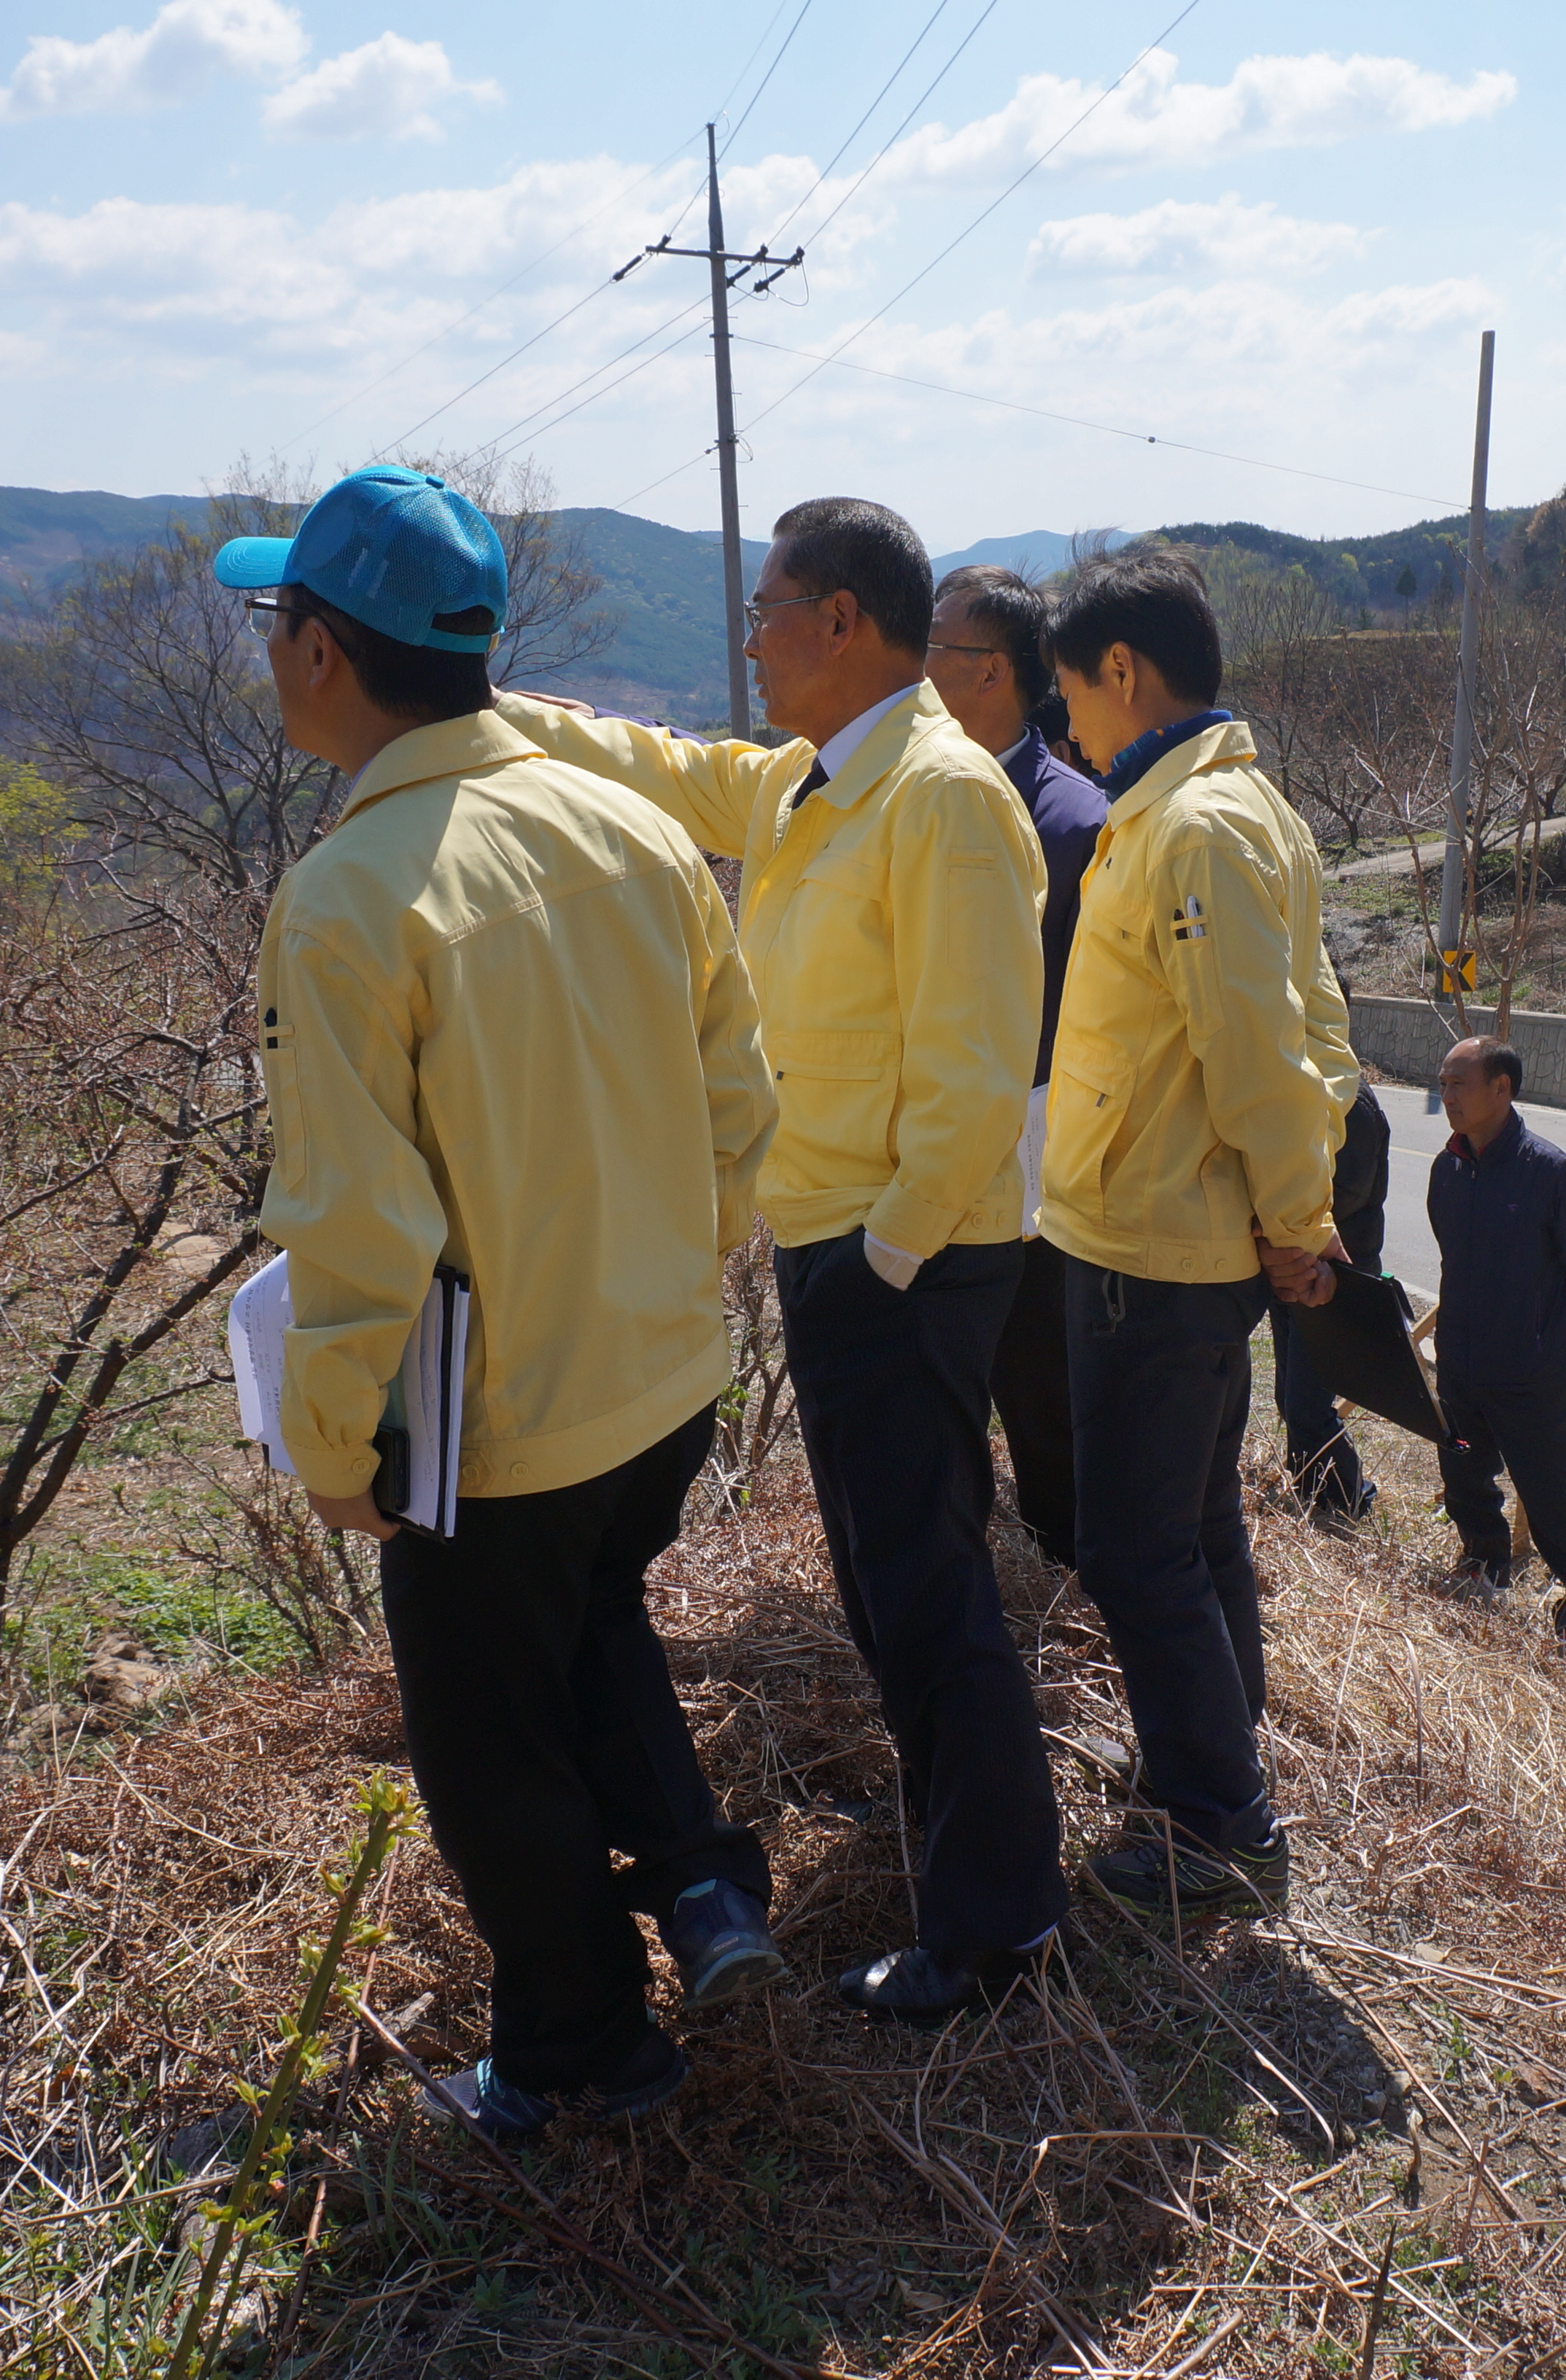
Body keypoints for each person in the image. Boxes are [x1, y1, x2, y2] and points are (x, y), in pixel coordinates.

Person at [228, 467, 781, 2142]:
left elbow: (358, 1222)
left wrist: (335, 1448)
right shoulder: (627, 828)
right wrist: (681, 1279)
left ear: (322, 651)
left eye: (277, 625)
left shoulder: (350, 898)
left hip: (499, 1427)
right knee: (595, 1618)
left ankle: (579, 2048)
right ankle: (699, 1889)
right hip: (662, 1375)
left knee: (486, 1748)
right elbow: (738, 1104)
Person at [496, 501, 1065, 2021]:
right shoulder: (824, 783)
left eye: (767, 609)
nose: (747, 637)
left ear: (841, 623)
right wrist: (499, 715)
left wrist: (880, 1257)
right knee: (894, 1591)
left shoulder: (937, 799)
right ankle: (973, 1881)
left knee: (926, 1594)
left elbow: (971, 1073)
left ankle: (993, 1931)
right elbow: (683, 776)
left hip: (902, 1262)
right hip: (839, 1247)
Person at [1035, 545, 1356, 1921]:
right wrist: (1290, 1211)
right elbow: (1320, 1033)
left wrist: (1299, 1223)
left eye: (1071, 698)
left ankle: (1212, 1817)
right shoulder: (1216, 808)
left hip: (1153, 1246)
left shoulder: (1194, 828)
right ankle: (1219, 1752)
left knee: (1131, 1544)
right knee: (1194, 1518)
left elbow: (1264, 1058)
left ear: (1123, 670)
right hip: (1163, 1230)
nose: (1066, 729)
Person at [927, 561, 1109, 1571]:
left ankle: (1070, 1597)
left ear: (993, 670)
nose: (914, 670)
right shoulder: (911, 800)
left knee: (1042, 1396)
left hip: (1038, 1171)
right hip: (927, 1162)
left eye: (935, 649)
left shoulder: (1073, 824)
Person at [1427, 1036, 1566, 1655]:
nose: (1447, 1096)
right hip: (1460, 1362)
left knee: (1552, 1495)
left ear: (1502, 1090)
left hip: (1530, 1372)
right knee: (1463, 1473)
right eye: (1444, 1083)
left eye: (1460, 1084)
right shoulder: (1448, 1168)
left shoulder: (1551, 1172)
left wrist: (1546, 1341)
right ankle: (1484, 1563)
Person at [1270, 1074, 1389, 1525]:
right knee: (1288, 1396)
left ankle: (1346, 1501)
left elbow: (1344, 1195)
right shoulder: (1299, 1084)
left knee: (1307, 1405)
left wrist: (1281, 1222)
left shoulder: (1350, 1101)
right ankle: (1310, 1490)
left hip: (1334, 1280)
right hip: (1295, 1267)